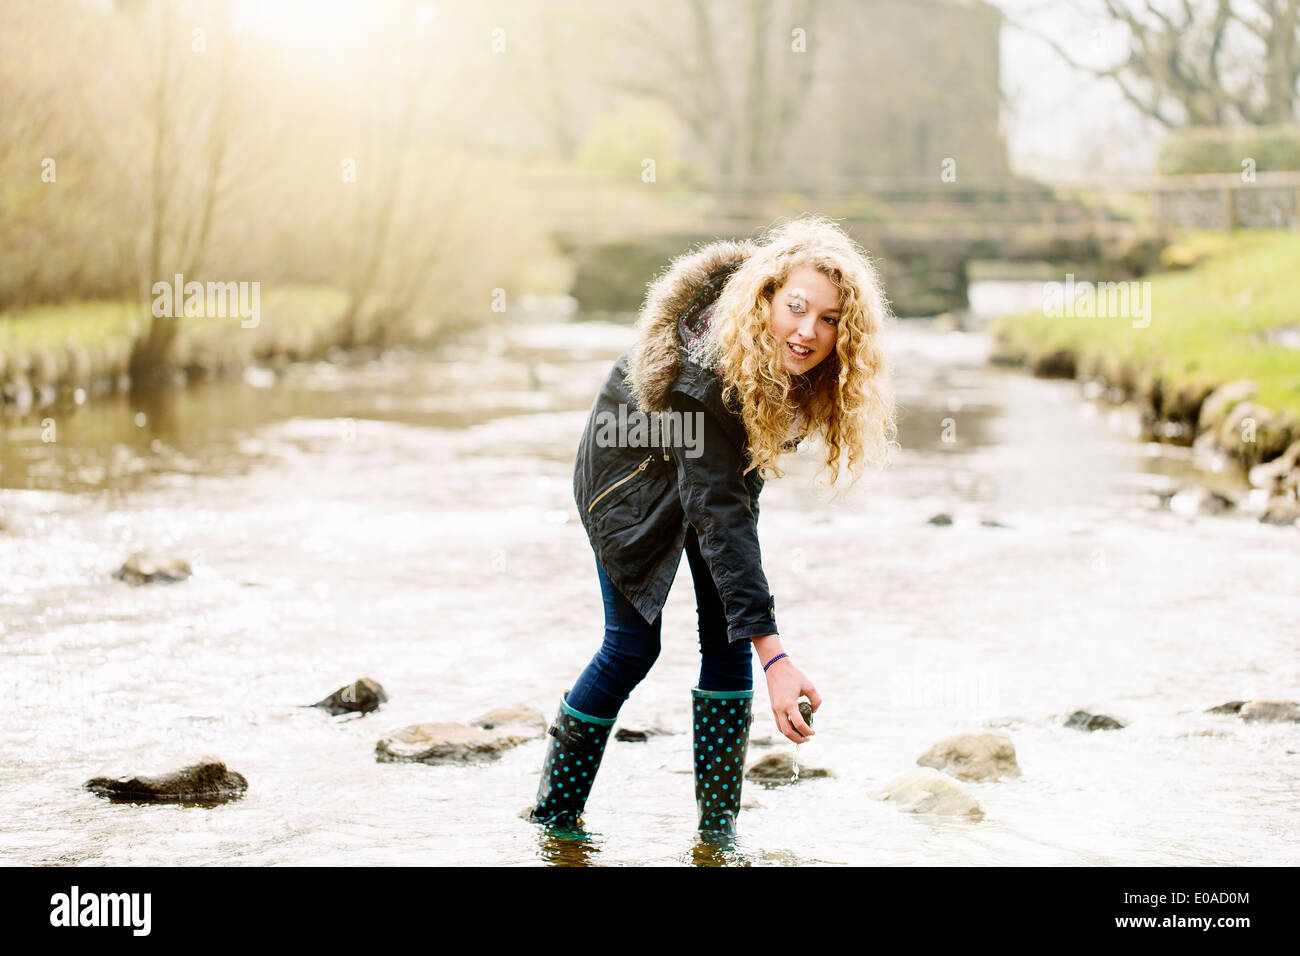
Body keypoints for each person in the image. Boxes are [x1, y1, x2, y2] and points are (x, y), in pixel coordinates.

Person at [527, 215, 896, 838]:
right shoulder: (711, 372)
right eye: (797, 309)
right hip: (628, 477)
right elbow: (723, 515)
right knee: (631, 648)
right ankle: (555, 819)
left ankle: (717, 834)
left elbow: (726, 500)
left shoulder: (779, 355)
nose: (809, 331)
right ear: (768, 299)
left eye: (830, 319)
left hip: (699, 464)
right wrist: (776, 656)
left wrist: (756, 639)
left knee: (727, 645)